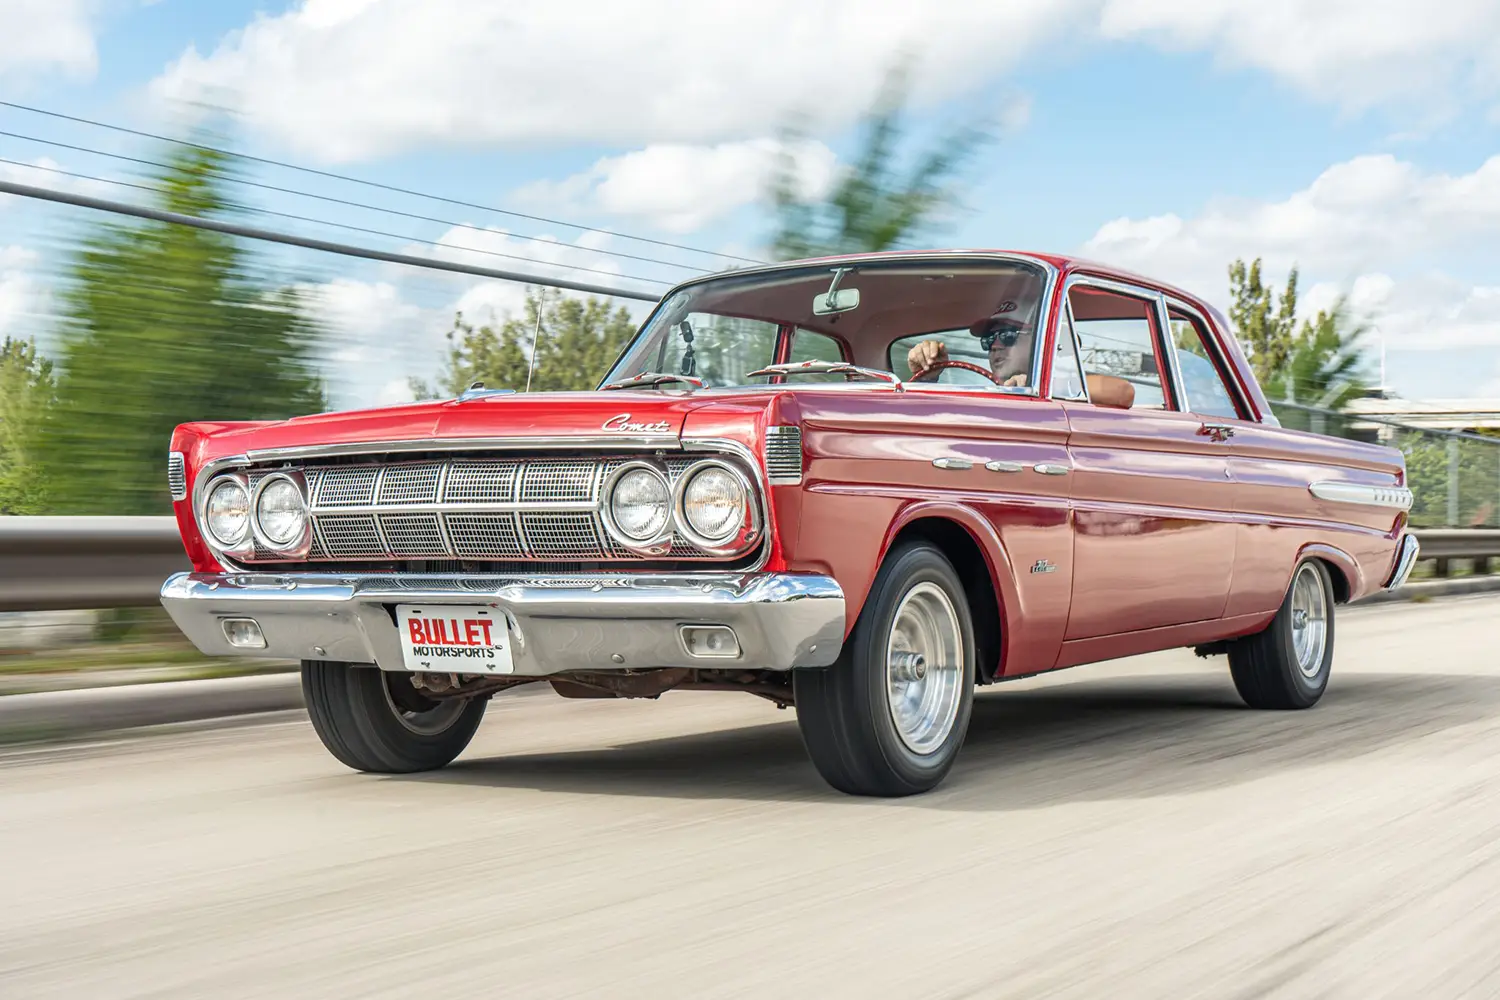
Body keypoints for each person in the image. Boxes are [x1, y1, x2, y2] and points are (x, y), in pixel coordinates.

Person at [905, 309, 1135, 408]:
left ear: (1045, 343)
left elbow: (1122, 391)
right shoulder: (989, 397)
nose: (994, 346)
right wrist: (928, 377)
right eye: (988, 339)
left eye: (1007, 336)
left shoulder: (1070, 397)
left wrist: (1038, 384)